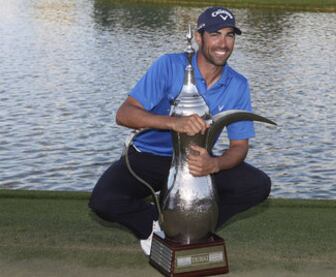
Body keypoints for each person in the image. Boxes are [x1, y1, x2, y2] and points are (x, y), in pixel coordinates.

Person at [89, 6, 271, 256]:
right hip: (149, 157)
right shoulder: (169, 66)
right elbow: (124, 114)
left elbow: (239, 147)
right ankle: (154, 224)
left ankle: (196, 226)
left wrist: (214, 164)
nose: (223, 43)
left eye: (230, 35)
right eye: (215, 34)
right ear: (199, 37)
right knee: (104, 200)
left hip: (196, 162)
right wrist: (173, 122)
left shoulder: (238, 84)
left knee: (257, 185)